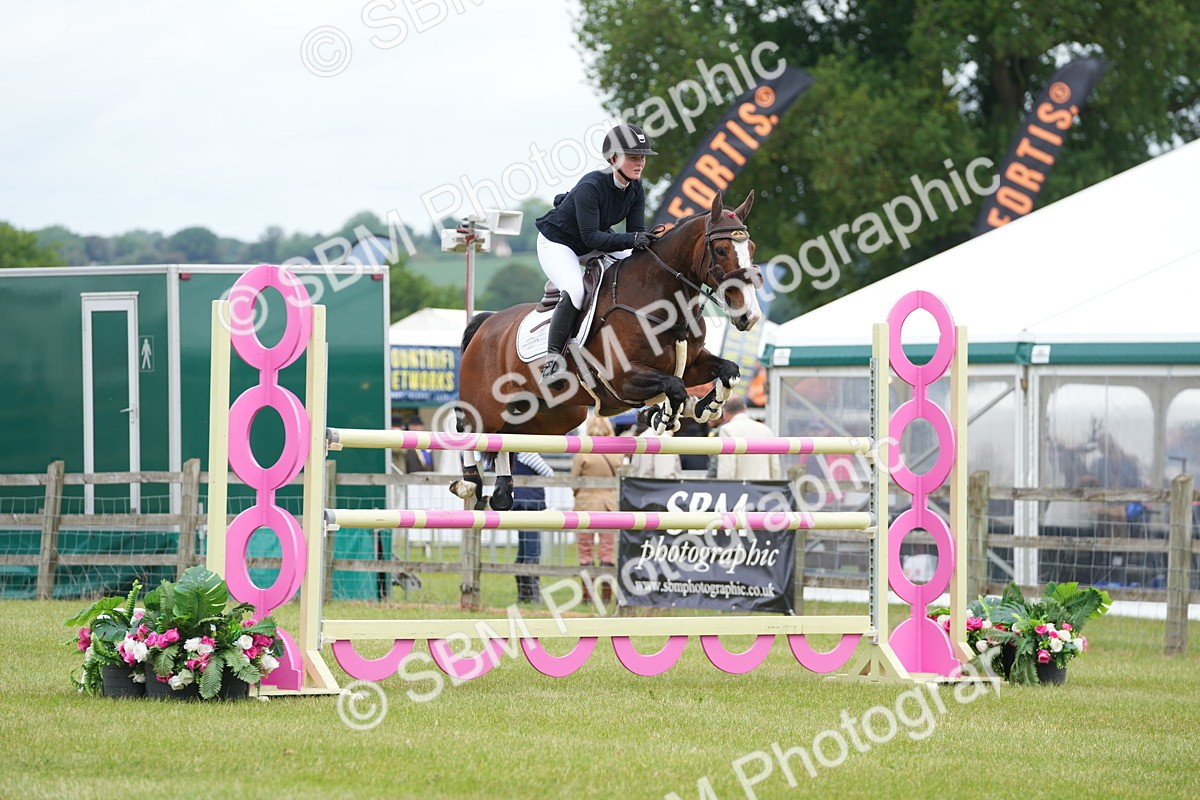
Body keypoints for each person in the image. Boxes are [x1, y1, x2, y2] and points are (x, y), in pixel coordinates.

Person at [533, 123, 659, 388]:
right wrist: (633, 239)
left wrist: (648, 244)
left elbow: (635, 234)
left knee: (637, 263)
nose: (640, 163)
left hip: (594, 240)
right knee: (576, 290)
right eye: (633, 157)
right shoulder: (592, 186)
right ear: (613, 159)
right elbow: (591, 238)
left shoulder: (636, 189)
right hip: (559, 243)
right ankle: (553, 361)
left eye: (643, 158)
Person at [570, 414, 624, 602]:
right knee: (607, 549)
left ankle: (587, 595)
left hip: (585, 504)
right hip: (609, 505)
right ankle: (607, 595)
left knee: (585, 549)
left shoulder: (583, 450)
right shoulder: (617, 450)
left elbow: (574, 480)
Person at [511, 452, 554, 603]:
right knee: (532, 550)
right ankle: (532, 594)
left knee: (523, 549)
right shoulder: (528, 453)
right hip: (531, 504)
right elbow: (548, 473)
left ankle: (524, 593)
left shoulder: (514, 454)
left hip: (518, 503)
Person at [715, 395, 782, 480]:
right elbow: (775, 467)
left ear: (724, 413)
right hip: (765, 489)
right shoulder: (766, 430)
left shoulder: (726, 430)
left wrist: (723, 490)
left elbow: (727, 469)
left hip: (741, 490)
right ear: (745, 408)